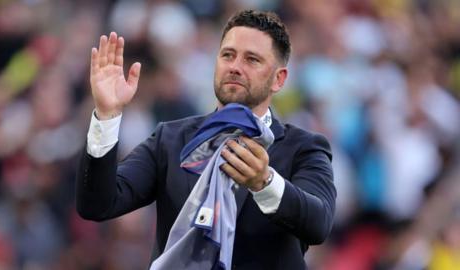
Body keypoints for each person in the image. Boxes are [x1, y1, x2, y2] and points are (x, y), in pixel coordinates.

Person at [76, 10, 336, 270]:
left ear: (278, 79)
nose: (235, 66)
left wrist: (265, 183)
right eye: (228, 55)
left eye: (252, 59)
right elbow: (97, 204)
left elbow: (318, 223)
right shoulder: (170, 139)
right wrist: (107, 116)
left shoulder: (303, 147)